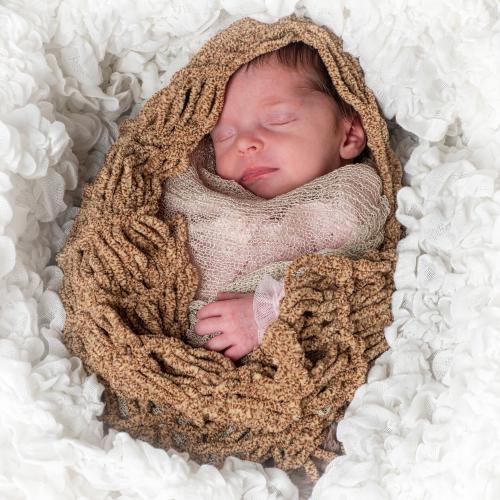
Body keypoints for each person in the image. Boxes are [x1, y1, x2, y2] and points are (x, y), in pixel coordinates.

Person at [161, 42, 389, 362]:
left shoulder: (350, 202)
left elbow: (361, 282)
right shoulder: (198, 191)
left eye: (278, 119)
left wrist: (267, 311)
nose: (244, 143)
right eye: (224, 136)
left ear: (349, 136)